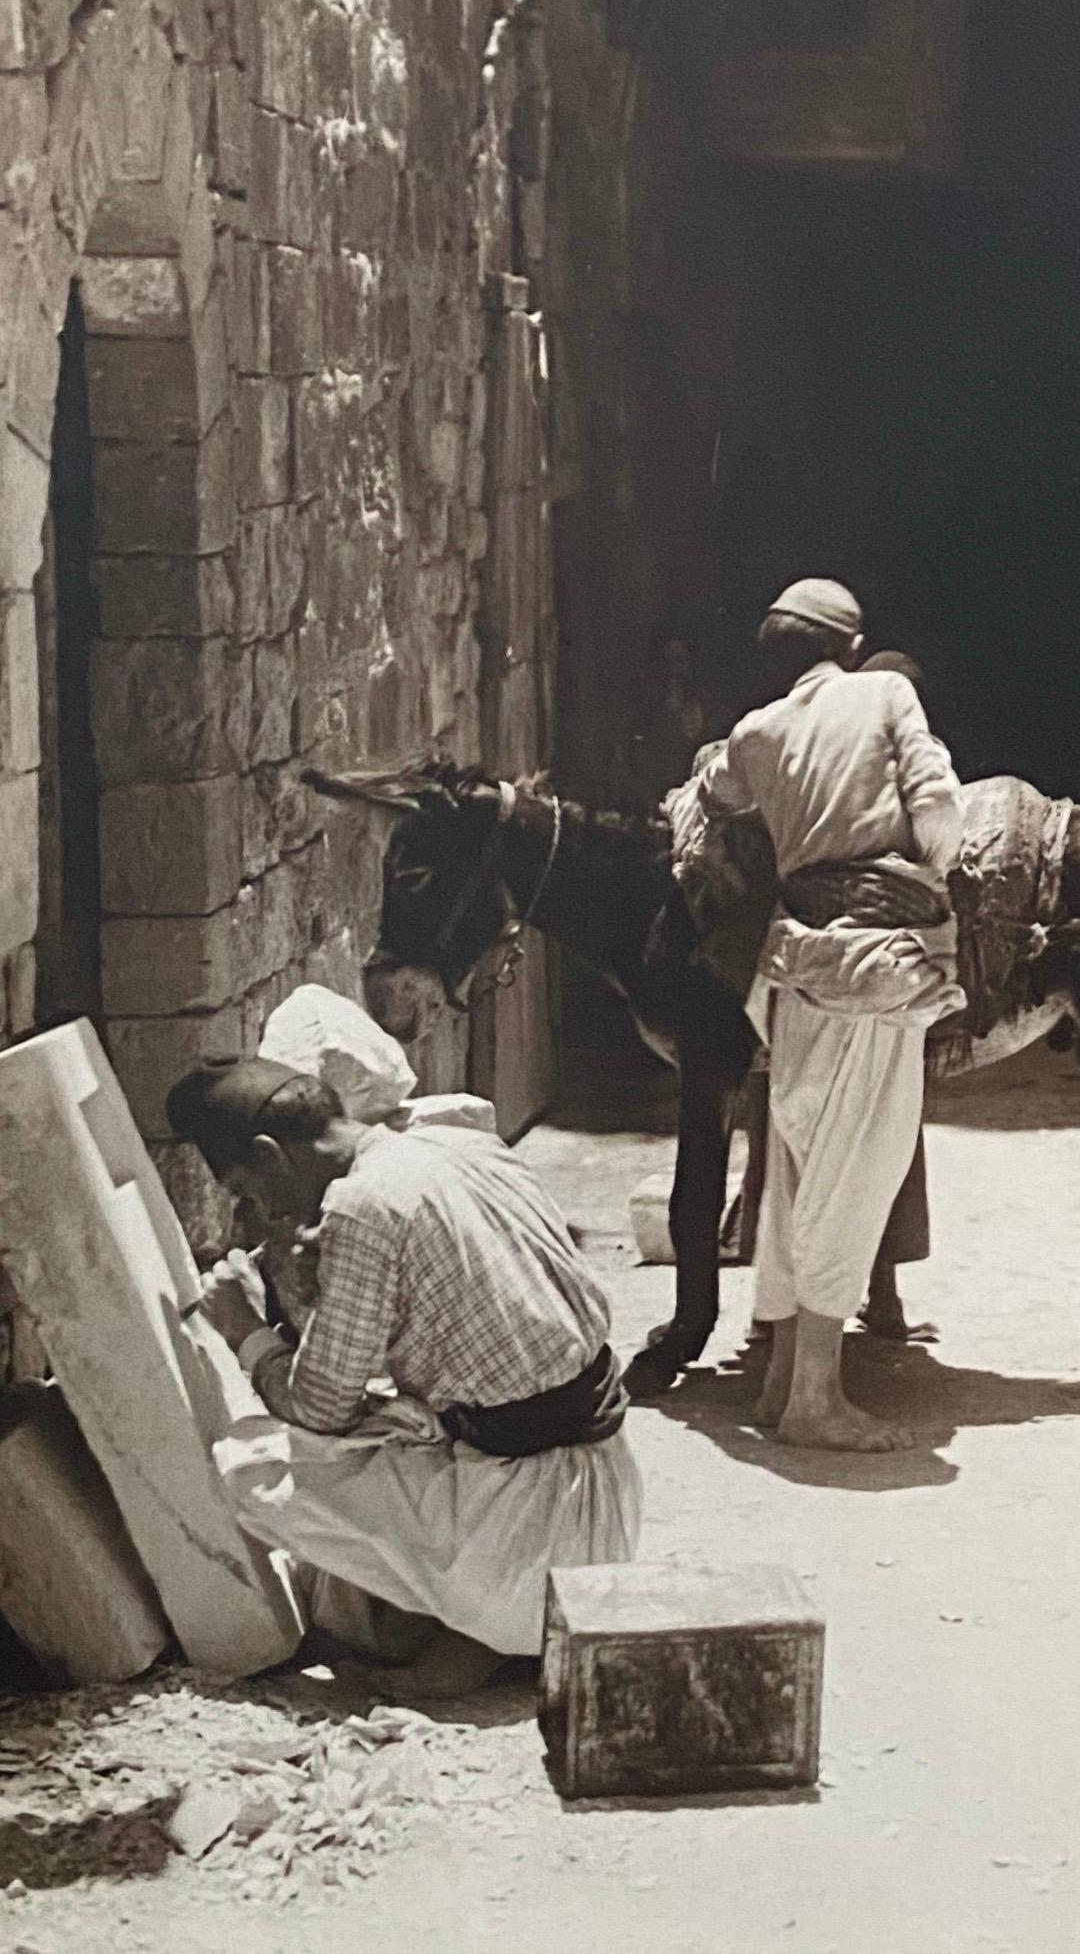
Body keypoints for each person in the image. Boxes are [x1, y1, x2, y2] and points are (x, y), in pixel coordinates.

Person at [169, 1058, 642, 1697]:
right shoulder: (458, 1143)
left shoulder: (361, 1208)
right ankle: (483, 1620)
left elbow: (320, 1407)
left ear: (269, 1154)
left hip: (534, 1523)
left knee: (250, 1465)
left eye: (245, 1189)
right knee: (387, 1440)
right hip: (606, 1499)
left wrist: (244, 1329)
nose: (257, 1209)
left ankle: (490, 1625)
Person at [696, 578, 965, 1451]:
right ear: (850, 648)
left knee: (797, 1167)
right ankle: (817, 1397)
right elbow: (936, 808)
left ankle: (779, 1386)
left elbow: (715, 792)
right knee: (858, 1170)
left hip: (792, 968)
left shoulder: (756, 731)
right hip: (874, 965)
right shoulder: (887, 692)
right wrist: (933, 867)